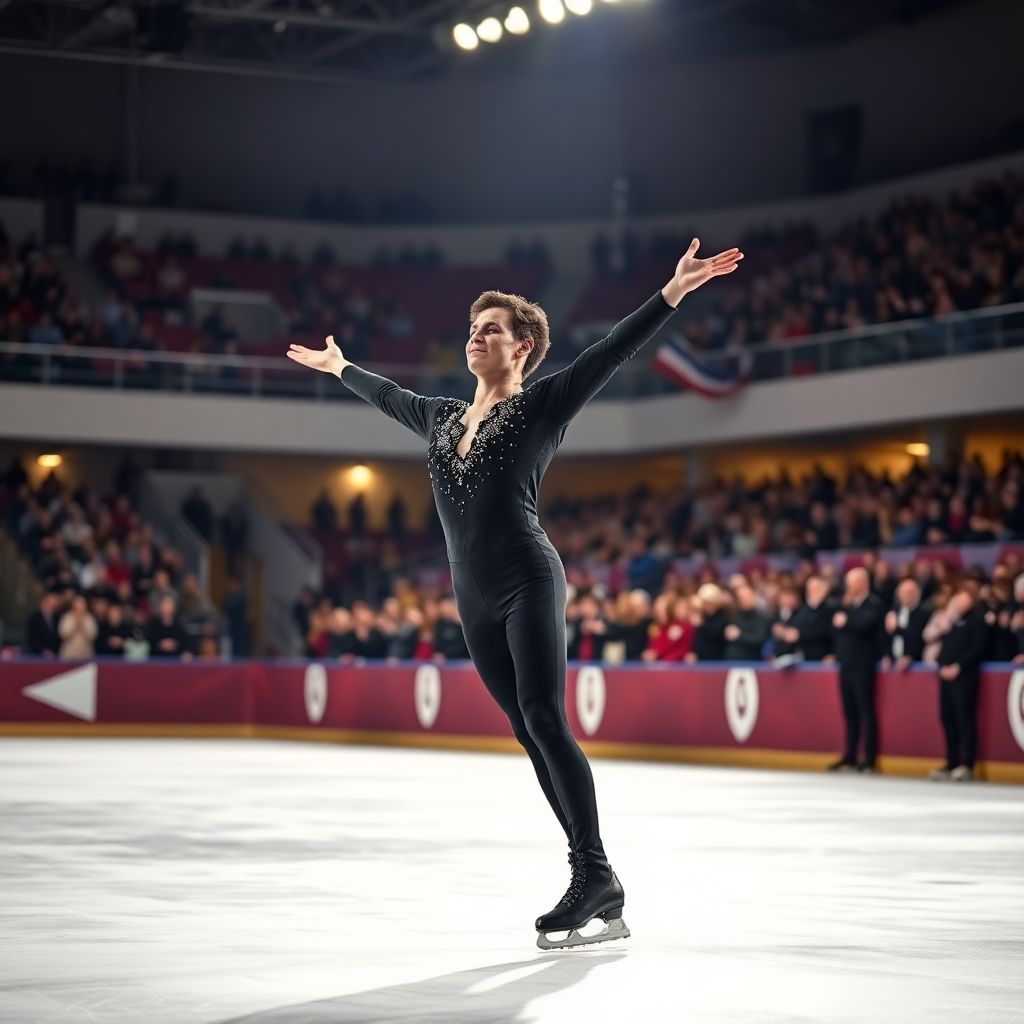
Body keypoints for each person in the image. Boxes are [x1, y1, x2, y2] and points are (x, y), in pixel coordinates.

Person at [286, 236, 744, 949]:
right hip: (473, 598)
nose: (476, 335)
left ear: (523, 347)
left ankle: (592, 872)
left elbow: (612, 352)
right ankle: (597, 878)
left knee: (544, 716)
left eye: (492, 328)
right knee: (528, 732)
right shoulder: (441, 417)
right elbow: (390, 397)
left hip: (528, 577)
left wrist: (673, 292)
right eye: (473, 327)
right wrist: (342, 367)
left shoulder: (543, 406)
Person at [927, 588, 988, 782]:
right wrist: (942, 665)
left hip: (964, 677)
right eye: (956, 599)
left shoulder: (976, 620)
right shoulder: (951, 621)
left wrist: (959, 666)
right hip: (946, 676)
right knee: (947, 719)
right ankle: (951, 762)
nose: (958, 603)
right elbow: (942, 645)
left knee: (964, 719)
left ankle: (967, 764)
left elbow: (979, 647)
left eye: (963, 599)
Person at [829, 567, 885, 773]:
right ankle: (850, 756)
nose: (848, 587)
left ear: (862, 583)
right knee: (849, 712)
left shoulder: (873, 604)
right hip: (846, 663)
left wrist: (846, 620)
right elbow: (834, 627)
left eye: (851, 583)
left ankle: (869, 758)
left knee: (865, 710)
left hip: (863, 664)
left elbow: (865, 625)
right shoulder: (847, 605)